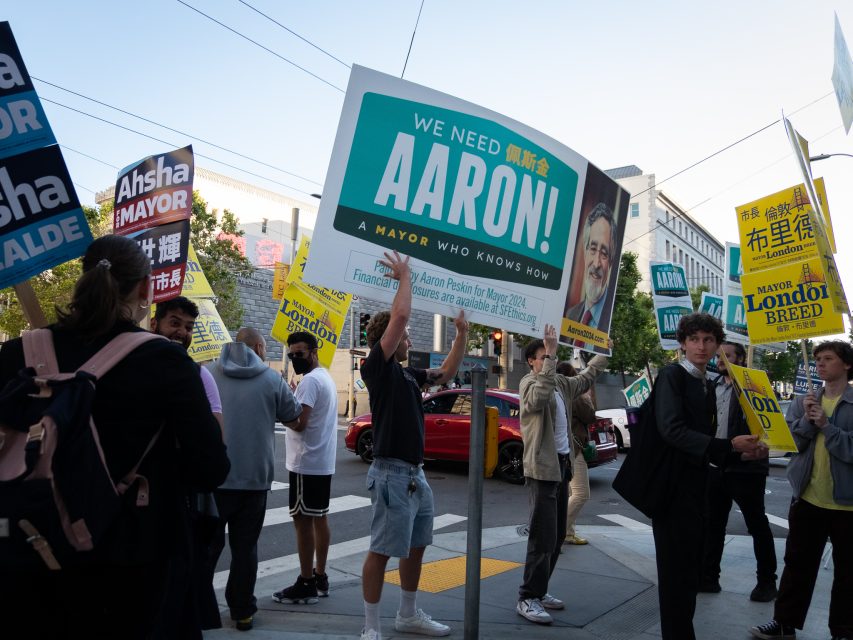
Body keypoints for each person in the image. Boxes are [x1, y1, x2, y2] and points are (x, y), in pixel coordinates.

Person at [0, 234, 230, 638]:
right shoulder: (165, 360)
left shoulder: (18, 353)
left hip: (34, 549)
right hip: (136, 563)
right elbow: (211, 468)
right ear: (146, 289)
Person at [359, 250, 468, 640]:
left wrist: (461, 333)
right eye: (403, 336)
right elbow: (401, 315)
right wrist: (405, 275)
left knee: (417, 545)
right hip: (390, 475)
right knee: (381, 550)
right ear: (388, 339)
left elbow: (447, 372)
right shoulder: (377, 368)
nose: (408, 337)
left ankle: (407, 614)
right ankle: (371, 626)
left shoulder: (408, 376)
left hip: (415, 476)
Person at [650, 312, 765, 640]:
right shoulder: (673, 375)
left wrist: (740, 451)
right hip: (673, 489)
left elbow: (707, 439)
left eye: (708, 340)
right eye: (694, 339)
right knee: (675, 576)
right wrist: (727, 445)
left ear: (716, 344)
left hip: (697, 486)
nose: (701, 346)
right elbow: (672, 430)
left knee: (689, 572)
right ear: (683, 343)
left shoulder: (705, 381)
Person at [750, 341, 853, 640]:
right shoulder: (805, 399)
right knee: (797, 565)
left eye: (828, 358)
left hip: (847, 504)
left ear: (846, 364)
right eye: (818, 359)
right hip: (808, 497)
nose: (820, 364)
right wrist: (808, 422)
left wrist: (826, 425)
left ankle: (844, 631)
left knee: (848, 573)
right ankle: (784, 623)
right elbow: (790, 443)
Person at [209, 328, 301, 631]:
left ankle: (198, 608)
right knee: (245, 550)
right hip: (255, 481)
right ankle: (242, 611)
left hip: (214, 479)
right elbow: (294, 417)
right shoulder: (272, 379)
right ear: (260, 347)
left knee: (205, 550)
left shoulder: (207, 373)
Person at [516, 326, 609, 625]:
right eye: (544, 357)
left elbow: (584, 380)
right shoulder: (530, 383)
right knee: (541, 537)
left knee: (555, 537)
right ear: (532, 360)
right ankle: (527, 597)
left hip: (562, 465)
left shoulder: (559, 383)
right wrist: (553, 354)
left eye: (550, 356)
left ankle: (539, 592)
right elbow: (537, 401)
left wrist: (602, 353)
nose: (549, 361)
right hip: (542, 470)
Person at [150, 295, 225, 635]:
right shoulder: (134, 364)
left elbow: (215, 440)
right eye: (174, 323)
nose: (181, 332)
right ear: (155, 324)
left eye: (188, 327)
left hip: (179, 495)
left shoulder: (199, 375)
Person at [700, 341, 777, 601]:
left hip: (746, 468)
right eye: (719, 354)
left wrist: (759, 449)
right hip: (716, 466)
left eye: (728, 354)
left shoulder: (755, 386)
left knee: (757, 525)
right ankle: (709, 577)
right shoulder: (710, 386)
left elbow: (770, 426)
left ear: (742, 359)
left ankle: (767, 582)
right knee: (713, 525)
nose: (721, 358)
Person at [272, 331, 338, 604]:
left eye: (299, 354)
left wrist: (282, 409)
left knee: (302, 522)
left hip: (305, 462)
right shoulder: (325, 377)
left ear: (313, 351)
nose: (295, 358)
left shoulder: (310, 381)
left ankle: (306, 582)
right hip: (321, 462)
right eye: (291, 355)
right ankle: (320, 576)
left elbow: (300, 422)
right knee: (319, 518)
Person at [556, 362, 598, 546]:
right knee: (581, 494)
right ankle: (558, 530)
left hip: (564, 447)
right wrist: (587, 395)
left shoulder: (556, 390)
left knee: (571, 492)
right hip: (575, 448)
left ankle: (568, 533)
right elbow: (590, 416)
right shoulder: (576, 395)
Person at [564, 202, 616, 351]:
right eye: (593, 249)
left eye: (604, 253)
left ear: (611, 262)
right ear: (585, 252)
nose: (596, 263)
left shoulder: (612, 323)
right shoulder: (571, 315)